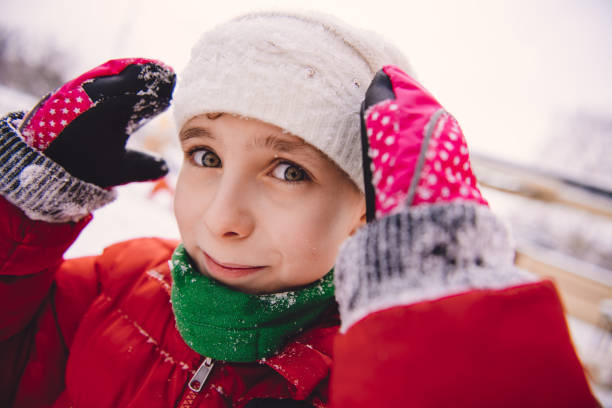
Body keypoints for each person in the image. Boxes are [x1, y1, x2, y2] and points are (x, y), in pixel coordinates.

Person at [0, 10, 600, 408]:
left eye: (289, 171)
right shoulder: (119, 281)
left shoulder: (368, 380)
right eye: (205, 156)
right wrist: (19, 212)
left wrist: (444, 324)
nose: (221, 219)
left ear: (365, 211)